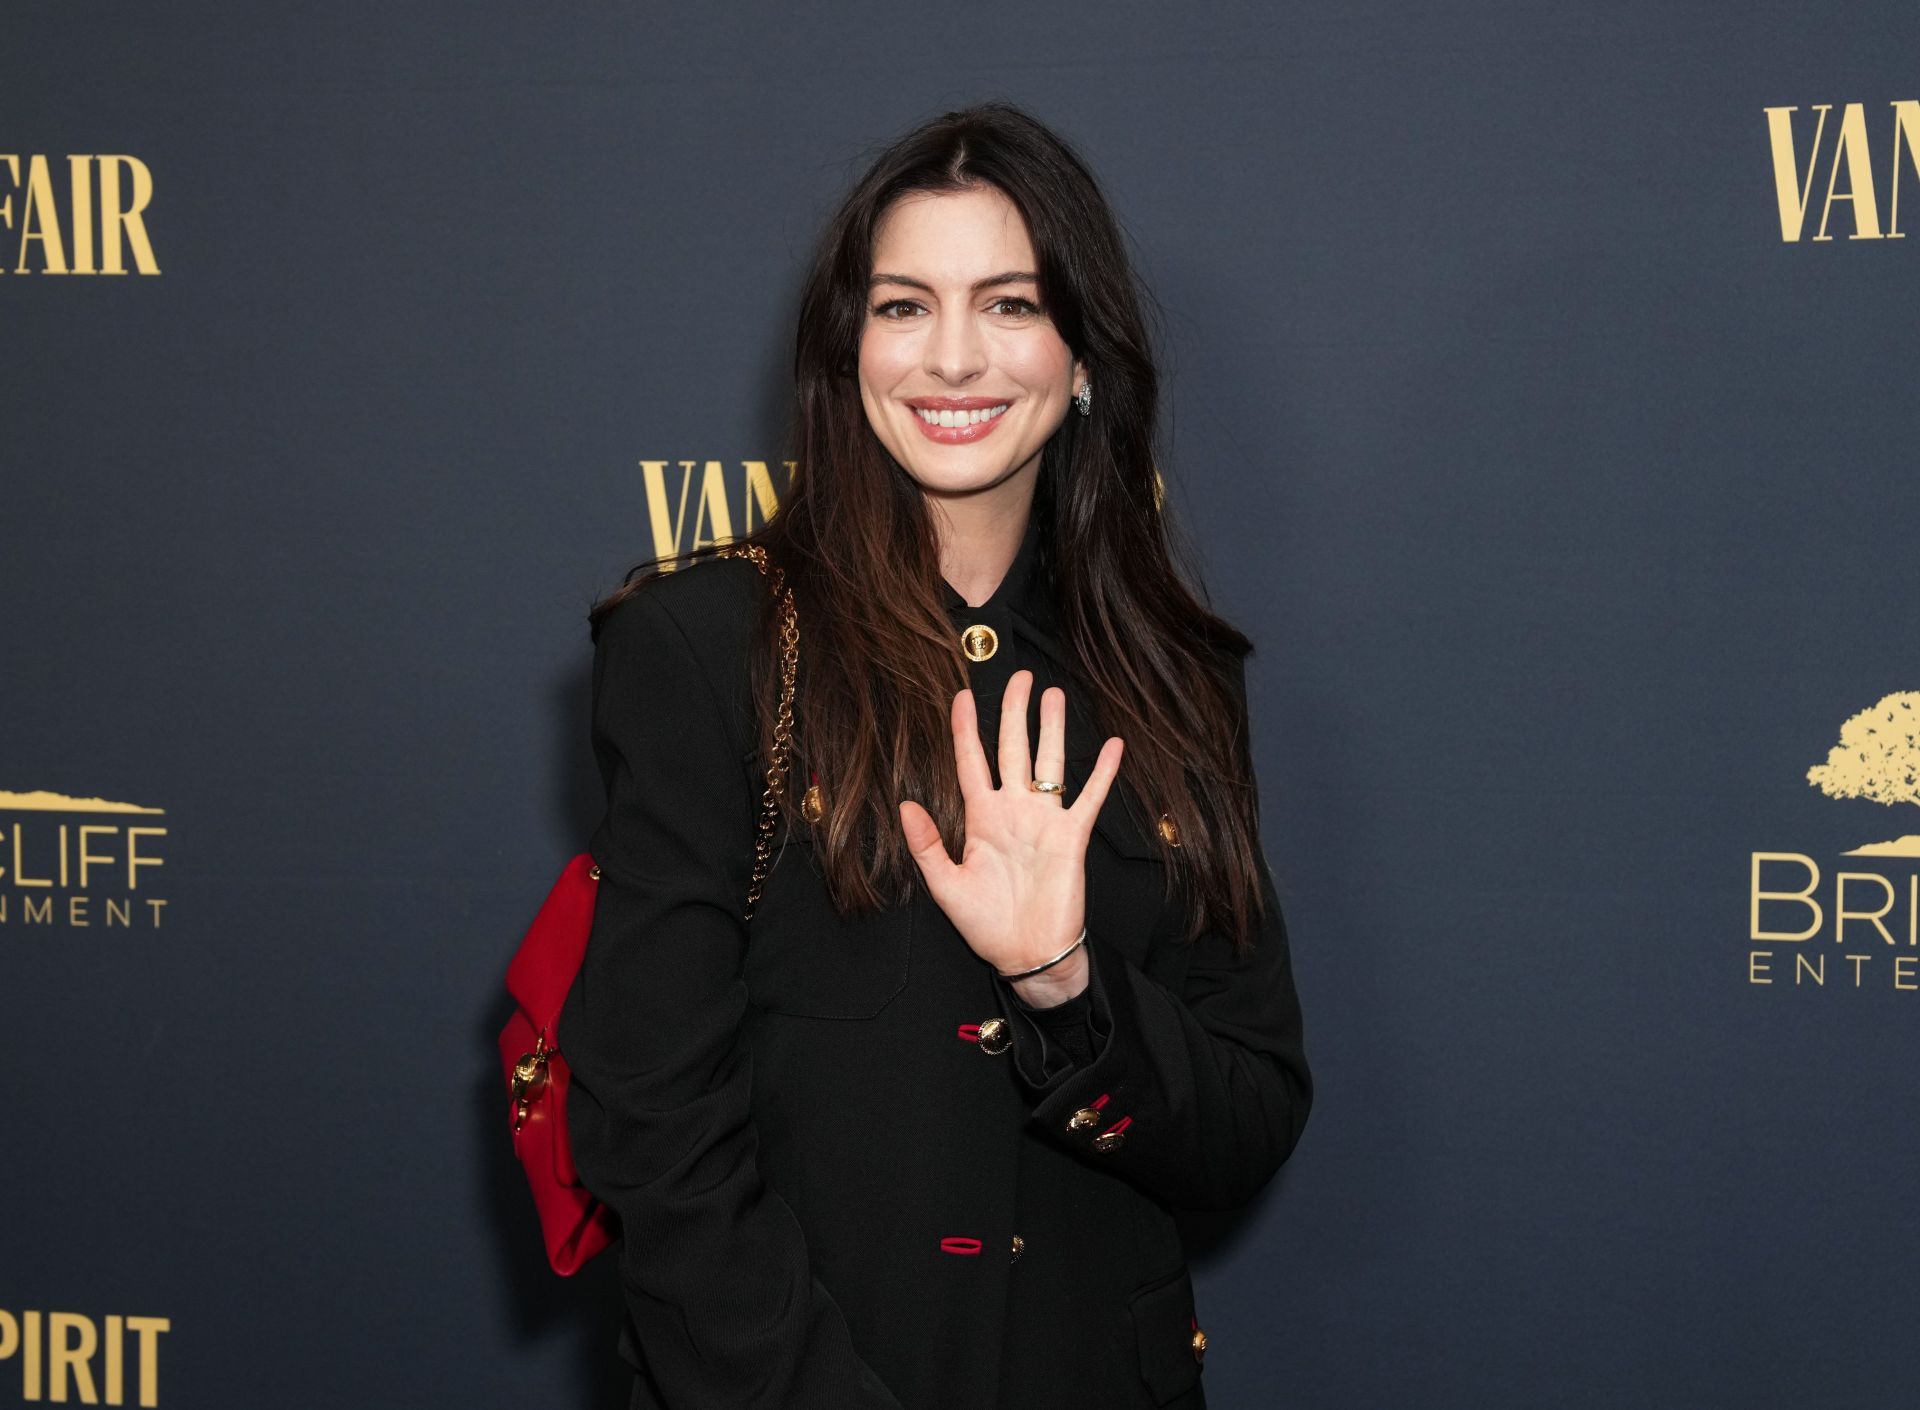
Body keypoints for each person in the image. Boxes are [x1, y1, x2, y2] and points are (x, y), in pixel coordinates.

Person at [559, 100, 1311, 1410]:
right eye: (905, 306)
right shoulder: (709, 647)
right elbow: (652, 1128)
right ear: (846, 348)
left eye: (1011, 304)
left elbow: (1246, 1121)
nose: (955, 358)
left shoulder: (1177, 677)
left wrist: (1069, 987)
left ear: (1083, 357)